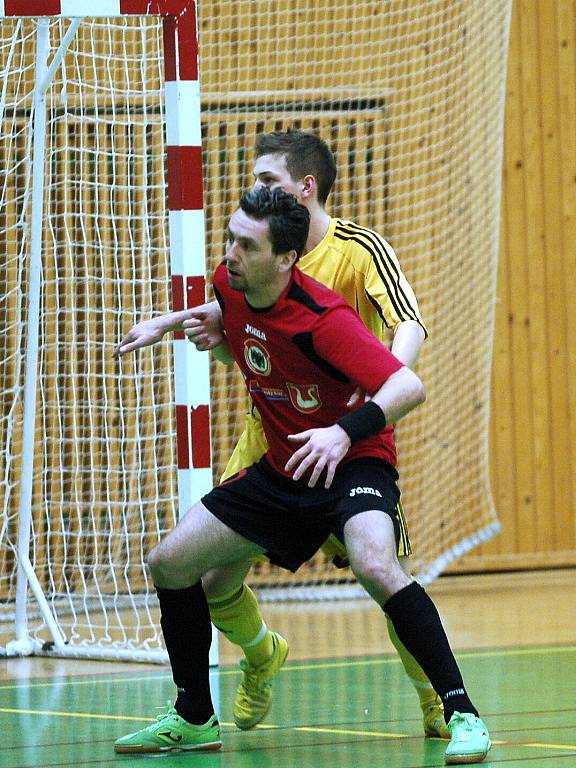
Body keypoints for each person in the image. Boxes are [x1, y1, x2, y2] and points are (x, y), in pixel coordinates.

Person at [114, 187, 490, 764]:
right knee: (171, 561)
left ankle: (461, 712)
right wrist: (165, 325)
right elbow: (224, 310)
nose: (230, 254)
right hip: (283, 469)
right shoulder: (231, 283)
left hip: (352, 460)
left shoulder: (324, 319)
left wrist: (342, 433)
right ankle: (193, 715)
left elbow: (408, 387)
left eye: (246, 245)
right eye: (231, 238)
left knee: (375, 563)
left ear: (286, 259)